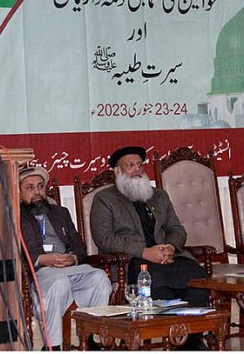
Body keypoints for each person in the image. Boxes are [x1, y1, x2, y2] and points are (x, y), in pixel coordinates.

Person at [90, 146, 209, 350]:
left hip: (168, 258)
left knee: (198, 278)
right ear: (117, 171)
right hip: (134, 262)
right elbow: (105, 239)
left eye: (139, 165)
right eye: (130, 165)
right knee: (159, 285)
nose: (137, 170)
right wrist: (145, 252)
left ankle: (190, 340)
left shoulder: (158, 196)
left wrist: (170, 246)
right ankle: (183, 340)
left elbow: (177, 229)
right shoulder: (104, 200)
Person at [19, 166, 111, 350]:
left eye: (40, 186)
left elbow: (79, 245)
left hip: (69, 268)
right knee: (61, 283)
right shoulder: (14, 216)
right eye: (30, 188)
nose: (37, 192)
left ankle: (90, 337)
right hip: (39, 271)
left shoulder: (60, 212)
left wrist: (73, 258)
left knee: (99, 277)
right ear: (19, 193)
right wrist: (43, 259)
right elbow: (13, 251)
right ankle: (52, 346)